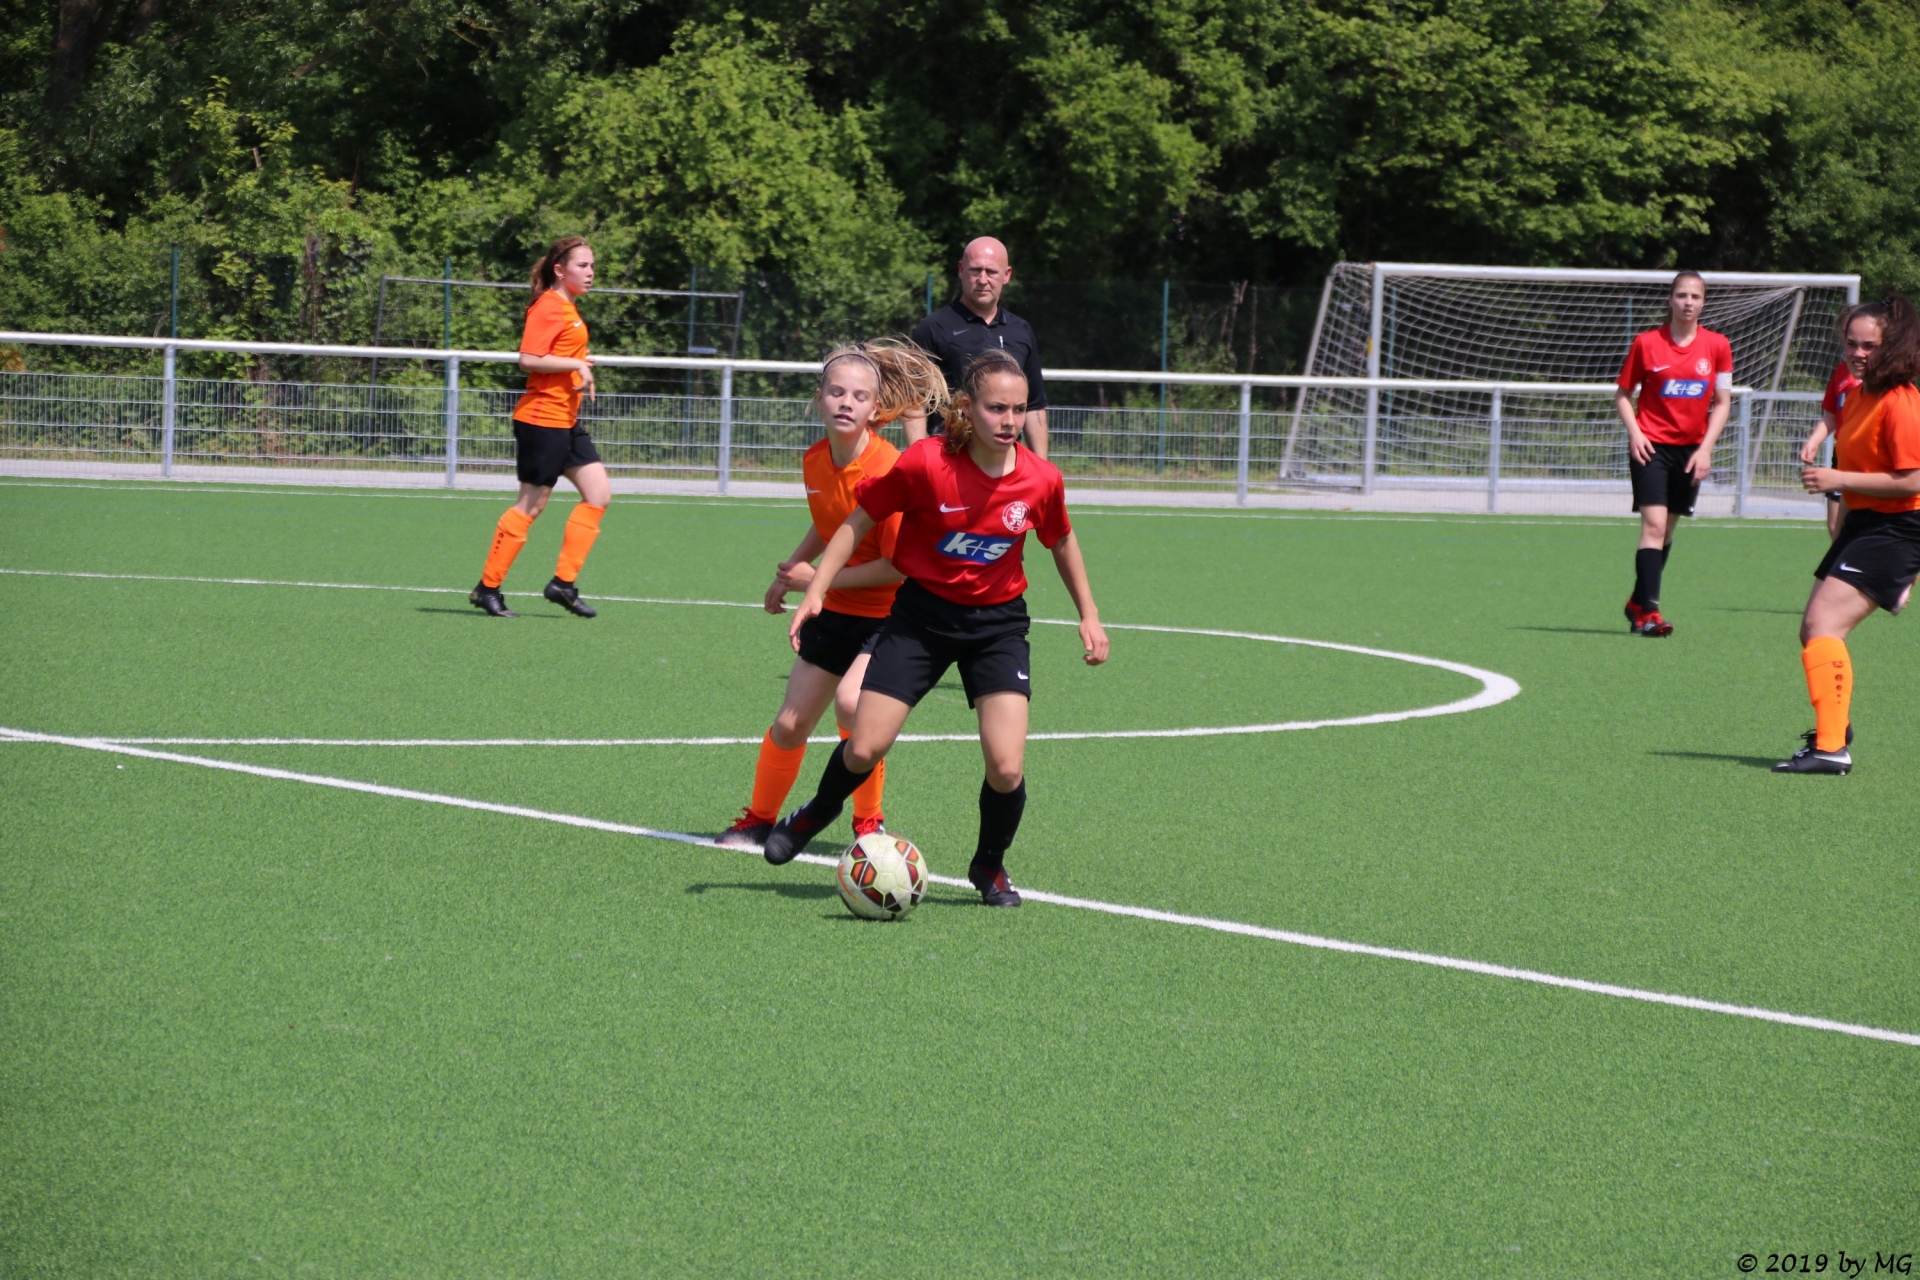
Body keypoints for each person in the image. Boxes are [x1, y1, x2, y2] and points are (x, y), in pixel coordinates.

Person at [759, 349, 1109, 907]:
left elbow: (1061, 539)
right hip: (920, 620)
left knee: (1006, 766)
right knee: (864, 746)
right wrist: (817, 589)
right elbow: (856, 522)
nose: (1010, 421)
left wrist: (1087, 613)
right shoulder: (926, 462)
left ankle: (989, 865)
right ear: (967, 407)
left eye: (1019, 410)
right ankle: (816, 813)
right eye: (996, 408)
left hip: (997, 627)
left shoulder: (1040, 479)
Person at [716, 340, 946, 848]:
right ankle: (758, 820)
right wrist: (792, 572)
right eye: (836, 392)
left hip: (890, 616)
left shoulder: (888, 469)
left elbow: (896, 567)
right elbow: (831, 525)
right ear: (818, 398)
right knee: (790, 723)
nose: (846, 403)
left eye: (859, 397)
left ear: (875, 409)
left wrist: (816, 581)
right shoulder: (815, 460)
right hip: (836, 610)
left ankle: (868, 824)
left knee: (851, 704)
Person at [1774, 296, 1920, 775]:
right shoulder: (1857, 395)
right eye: (1851, 343)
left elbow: (1914, 480)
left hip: (1899, 527)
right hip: (1865, 523)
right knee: (1811, 629)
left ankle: (1831, 749)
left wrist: (1837, 479)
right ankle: (1834, 728)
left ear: (1894, 346)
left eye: (1869, 346)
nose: (1857, 353)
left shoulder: (1901, 402)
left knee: (1824, 626)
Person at [469, 236, 610, 619]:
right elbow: (529, 359)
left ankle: (563, 584)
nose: (591, 272)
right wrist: (575, 364)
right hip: (541, 419)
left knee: (598, 495)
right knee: (531, 506)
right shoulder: (549, 305)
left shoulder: (569, 307)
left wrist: (580, 362)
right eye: (582, 265)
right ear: (560, 270)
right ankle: (487, 588)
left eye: (592, 266)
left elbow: (556, 355)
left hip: (566, 420)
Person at [1614, 270, 1734, 636]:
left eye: (1695, 296)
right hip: (1651, 448)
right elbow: (1623, 395)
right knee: (1653, 526)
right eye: (1681, 295)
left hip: (1691, 453)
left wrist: (1706, 449)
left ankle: (1637, 602)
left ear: (1703, 302)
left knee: (1666, 531)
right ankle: (1650, 613)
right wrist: (1635, 433)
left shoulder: (1718, 346)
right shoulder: (1646, 343)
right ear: (1670, 299)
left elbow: (1723, 402)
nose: (1688, 302)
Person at [908, 237, 1051, 459]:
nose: (982, 280)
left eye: (991, 272)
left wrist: (1042, 468)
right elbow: (915, 402)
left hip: (1005, 459)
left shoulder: (1021, 330)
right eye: (975, 270)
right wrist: (918, 459)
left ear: (1007, 275)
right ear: (961, 270)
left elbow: (1034, 405)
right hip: (949, 457)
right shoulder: (933, 328)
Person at [1799, 311, 1866, 540]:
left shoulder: (1881, 377)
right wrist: (1813, 441)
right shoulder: (1841, 372)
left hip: (1869, 458)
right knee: (1836, 524)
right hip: (1843, 456)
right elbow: (1831, 416)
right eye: (1849, 337)